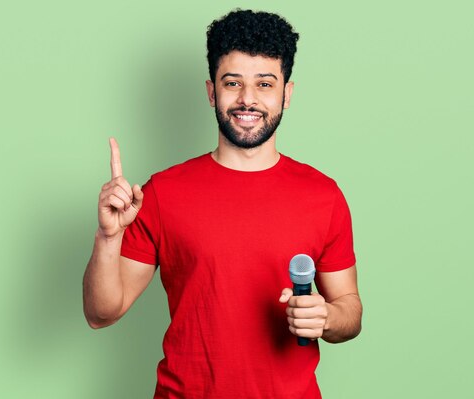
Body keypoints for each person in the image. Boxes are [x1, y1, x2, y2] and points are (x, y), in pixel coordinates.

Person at [83, 9, 362, 399]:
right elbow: (101, 314)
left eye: (265, 83)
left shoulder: (324, 196)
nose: (248, 99)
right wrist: (108, 237)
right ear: (212, 91)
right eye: (233, 83)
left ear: (287, 93)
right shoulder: (162, 194)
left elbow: (350, 309)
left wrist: (328, 316)